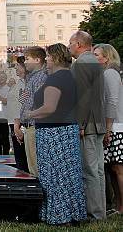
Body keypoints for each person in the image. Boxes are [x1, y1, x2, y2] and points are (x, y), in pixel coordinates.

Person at [28, 43, 86, 225]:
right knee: (69, 175)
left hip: (53, 134)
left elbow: (49, 108)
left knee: (54, 176)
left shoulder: (55, 79)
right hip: (67, 130)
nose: (46, 59)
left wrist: (29, 114)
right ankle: (73, 214)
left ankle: (59, 216)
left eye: (48, 56)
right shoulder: (71, 76)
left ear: (55, 57)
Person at [69, 31, 106, 220]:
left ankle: (95, 213)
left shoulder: (82, 64)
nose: (68, 48)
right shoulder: (96, 63)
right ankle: (100, 209)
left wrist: (81, 124)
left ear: (78, 44)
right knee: (98, 169)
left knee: (90, 170)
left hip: (88, 122)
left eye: (70, 44)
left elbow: (83, 97)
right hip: (98, 121)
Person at [94, 43, 123, 213]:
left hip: (116, 126)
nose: (94, 57)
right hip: (113, 125)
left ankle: (121, 206)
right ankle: (117, 205)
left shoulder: (110, 73)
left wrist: (108, 128)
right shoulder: (105, 73)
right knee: (112, 168)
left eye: (97, 54)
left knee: (118, 168)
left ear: (106, 57)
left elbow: (112, 101)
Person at [20, 46, 48, 176]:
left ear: (37, 60)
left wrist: (26, 113)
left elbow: (37, 102)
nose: (25, 62)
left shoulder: (40, 77)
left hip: (35, 125)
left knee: (36, 168)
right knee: (33, 166)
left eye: (27, 59)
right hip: (30, 125)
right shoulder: (33, 77)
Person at [9, 57, 28, 171]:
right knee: (19, 155)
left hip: (19, 123)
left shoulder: (25, 83)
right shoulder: (18, 82)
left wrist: (17, 125)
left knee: (22, 156)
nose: (16, 68)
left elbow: (22, 104)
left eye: (18, 66)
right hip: (13, 121)